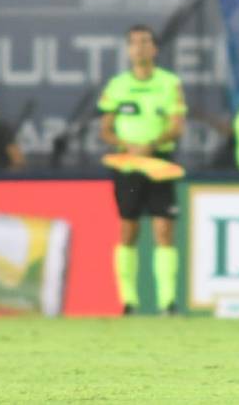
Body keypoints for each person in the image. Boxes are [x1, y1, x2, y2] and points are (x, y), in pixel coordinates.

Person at [98, 25, 186, 315]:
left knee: (163, 229)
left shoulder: (169, 83)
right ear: (128, 50)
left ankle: (167, 302)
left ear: (155, 48)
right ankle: (128, 300)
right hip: (128, 166)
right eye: (134, 42)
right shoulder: (117, 85)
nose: (140, 47)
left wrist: (153, 142)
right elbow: (106, 130)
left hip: (159, 163)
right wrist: (127, 144)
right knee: (128, 229)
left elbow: (177, 126)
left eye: (145, 42)